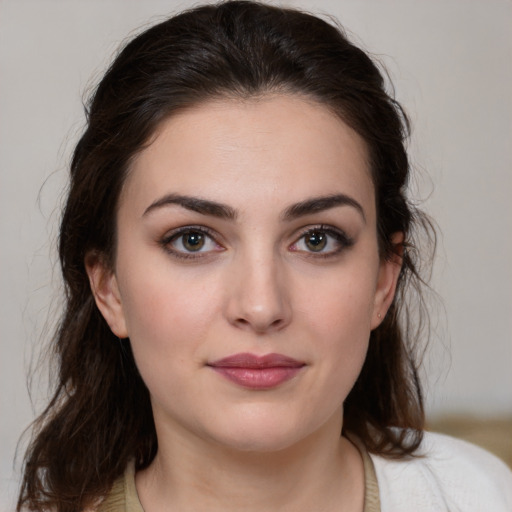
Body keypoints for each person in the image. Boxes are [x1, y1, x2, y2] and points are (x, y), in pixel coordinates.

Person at [16, 1, 512, 511]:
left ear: (384, 281)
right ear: (108, 287)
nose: (260, 306)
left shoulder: (483, 495)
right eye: (192, 239)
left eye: (317, 239)